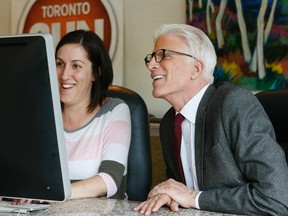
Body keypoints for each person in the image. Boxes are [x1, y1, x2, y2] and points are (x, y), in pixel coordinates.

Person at [134, 24, 288, 215]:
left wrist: (193, 198)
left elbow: (275, 198)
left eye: (163, 55)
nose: (151, 65)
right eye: (151, 57)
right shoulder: (168, 122)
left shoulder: (233, 104)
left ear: (196, 69)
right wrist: (171, 194)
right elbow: (182, 189)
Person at [55, 30, 131, 200]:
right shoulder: (43, 115)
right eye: (59, 64)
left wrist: (51, 195)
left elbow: (109, 180)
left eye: (76, 66)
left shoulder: (115, 110)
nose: (64, 75)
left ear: (96, 73)